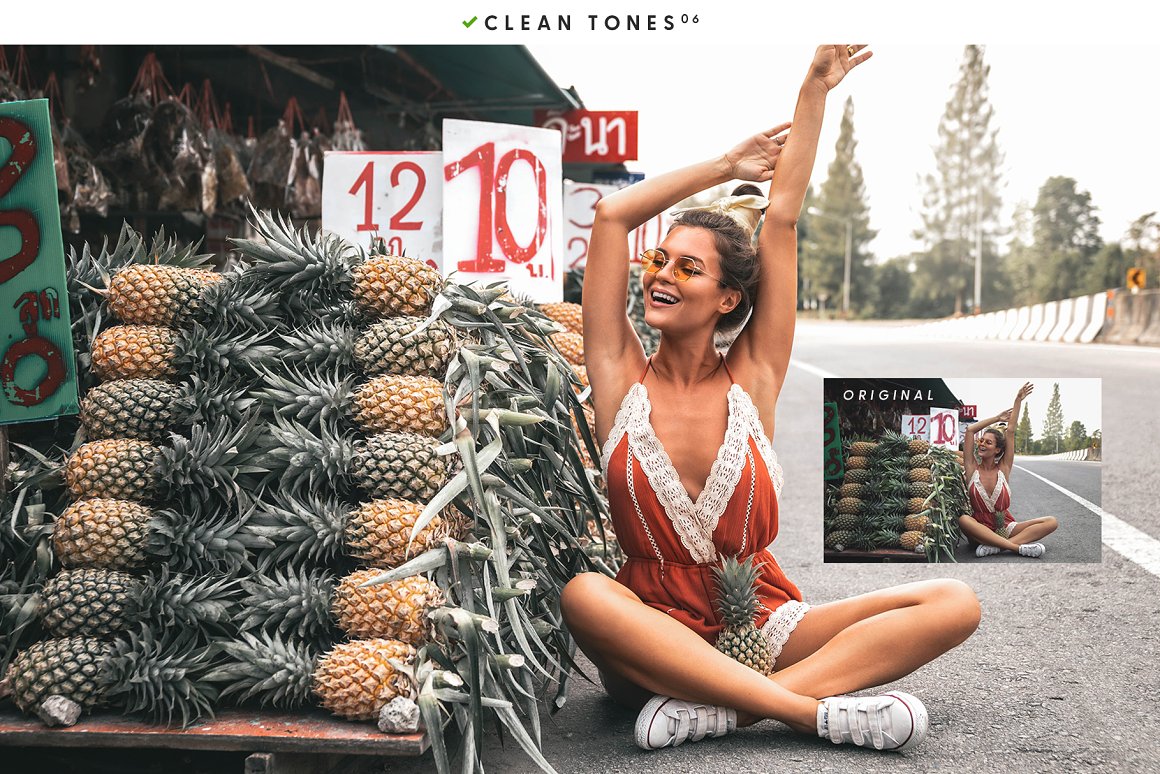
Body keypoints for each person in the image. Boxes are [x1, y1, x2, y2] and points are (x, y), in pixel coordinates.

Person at [560, 45, 981, 755]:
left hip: (762, 621)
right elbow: (610, 218)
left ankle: (729, 712)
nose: (661, 274)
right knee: (583, 596)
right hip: (653, 637)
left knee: (954, 603)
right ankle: (813, 713)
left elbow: (780, 218)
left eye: (688, 268)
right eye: (660, 260)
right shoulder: (619, 375)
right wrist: (725, 167)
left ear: (728, 298)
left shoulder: (753, 377)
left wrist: (813, 92)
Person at [959, 382, 1059, 558]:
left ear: (997, 450)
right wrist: (997, 418)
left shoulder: (1004, 468)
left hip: (1005, 526)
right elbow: (970, 430)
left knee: (1051, 522)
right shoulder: (971, 467)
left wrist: (1018, 400)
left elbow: (1011, 431)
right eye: (981, 441)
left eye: (988, 442)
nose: (981, 444)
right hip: (979, 530)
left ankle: (999, 547)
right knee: (963, 520)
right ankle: (1017, 548)